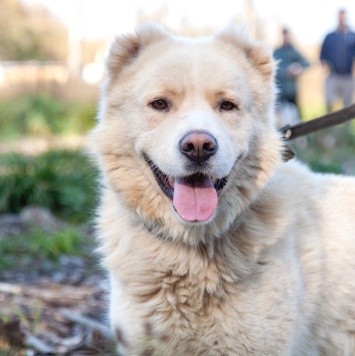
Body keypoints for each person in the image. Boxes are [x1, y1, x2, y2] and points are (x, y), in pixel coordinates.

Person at [320, 9, 355, 112]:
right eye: (340, 18)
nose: (342, 20)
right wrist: (323, 62)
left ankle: (347, 127)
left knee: (348, 105)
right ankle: (329, 126)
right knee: (329, 102)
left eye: (343, 18)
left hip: (348, 76)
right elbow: (322, 54)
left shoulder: (352, 36)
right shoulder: (329, 37)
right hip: (333, 75)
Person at [273, 28, 309, 125]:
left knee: (296, 117)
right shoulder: (277, 52)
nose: (286, 38)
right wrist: (286, 71)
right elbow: (274, 69)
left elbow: (306, 63)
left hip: (292, 90)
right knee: (280, 118)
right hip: (280, 90)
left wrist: (298, 67)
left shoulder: (293, 51)